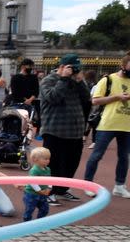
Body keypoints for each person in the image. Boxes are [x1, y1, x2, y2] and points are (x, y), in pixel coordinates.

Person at [39, 54, 92, 205]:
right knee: (52, 163)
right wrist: (63, 79)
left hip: (75, 131)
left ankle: (62, 189)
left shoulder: (76, 81)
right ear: (62, 67)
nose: (74, 71)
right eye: (71, 68)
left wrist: (80, 82)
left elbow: (87, 98)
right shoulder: (48, 80)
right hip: (55, 129)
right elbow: (53, 97)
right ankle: (48, 191)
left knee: (71, 163)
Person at [83, 54, 130, 199]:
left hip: (127, 125)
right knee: (97, 155)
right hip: (108, 124)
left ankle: (119, 186)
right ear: (124, 65)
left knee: (124, 157)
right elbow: (95, 101)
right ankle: (88, 184)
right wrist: (117, 97)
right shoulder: (108, 79)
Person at [23, 147, 51, 222]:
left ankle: (39, 222)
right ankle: (26, 223)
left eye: (48, 158)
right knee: (29, 209)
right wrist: (39, 191)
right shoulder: (34, 170)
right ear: (36, 159)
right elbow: (32, 182)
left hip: (43, 193)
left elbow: (50, 180)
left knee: (45, 209)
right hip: (31, 194)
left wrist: (49, 188)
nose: (48, 161)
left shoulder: (47, 169)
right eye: (45, 159)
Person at [11, 58, 39, 127]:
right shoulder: (15, 77)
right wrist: (25, 100)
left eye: (32, 66)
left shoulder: (34, 77)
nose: (31, 68)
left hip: (32, 103)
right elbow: (15, 92)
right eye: (29, 66)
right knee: (18, 123)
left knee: (31, 123)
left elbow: (36, 91)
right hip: (18, 103)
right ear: (23, 66)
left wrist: (30, 100)